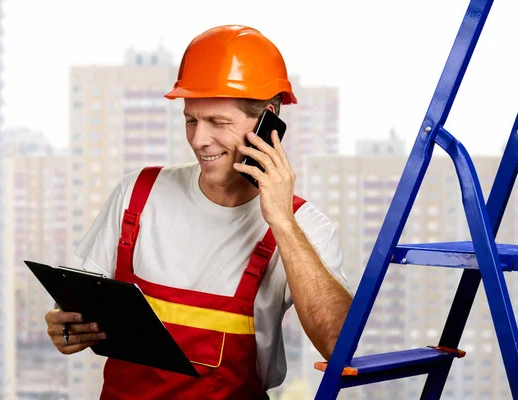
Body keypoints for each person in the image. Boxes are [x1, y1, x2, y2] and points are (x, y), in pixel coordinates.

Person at [45, 24, 354, 399]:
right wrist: (66, 326)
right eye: (191, 120)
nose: (198, 139)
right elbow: (78, 306)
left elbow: (340, 348)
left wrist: (282, 223)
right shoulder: (138, 194)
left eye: (218, 123)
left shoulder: (304, 226)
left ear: (268, 119)